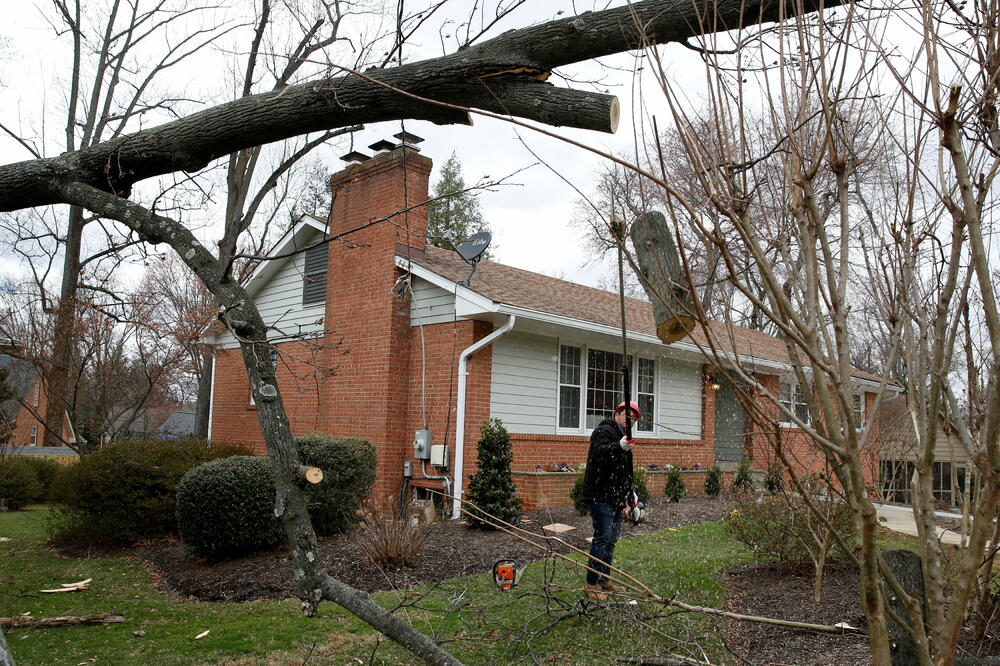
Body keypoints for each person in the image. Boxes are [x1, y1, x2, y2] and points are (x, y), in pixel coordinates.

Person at [580, 400, 639, 601]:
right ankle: (591, 584)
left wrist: (631, 495)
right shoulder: (604, 431)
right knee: (602, 537)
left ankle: (603, 579)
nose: (629, 421)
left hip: (615, 497)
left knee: (611, 540)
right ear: (617, 414)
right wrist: (618, 446)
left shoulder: (625, 438)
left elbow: (625, 471)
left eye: (633, 419)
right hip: (599, 494)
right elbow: (598, 453)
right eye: (626, 415)